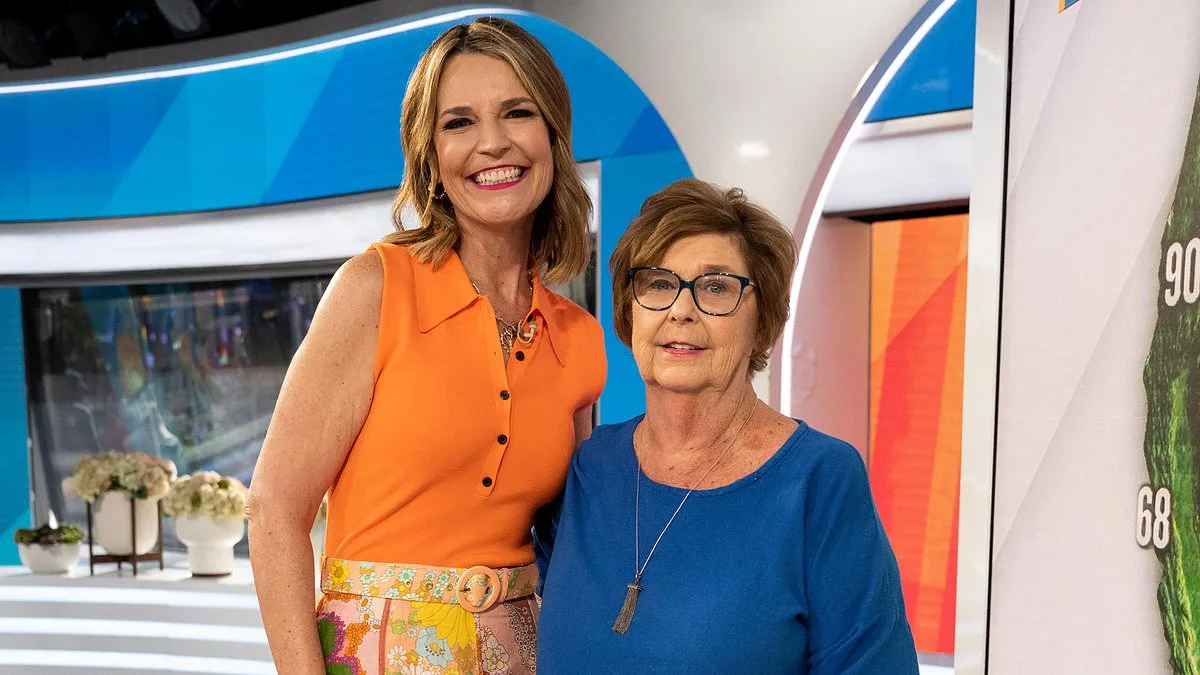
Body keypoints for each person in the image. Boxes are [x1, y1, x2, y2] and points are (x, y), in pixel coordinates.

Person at [248, 17, 605, 675]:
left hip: (526, 652)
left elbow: (573, 544)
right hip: (373, 653)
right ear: (430, 157)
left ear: (553, 135)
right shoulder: (374, 288)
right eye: (459, 122)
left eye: (518, 112)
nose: (492, 142)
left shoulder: (580, 339)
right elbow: (274, 510)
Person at [536, 178, 919, 673]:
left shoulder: (819, 480)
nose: (681, 311)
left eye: (716, 287)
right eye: (658, 284)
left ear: (762, 321)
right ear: (630, 312)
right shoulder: (589, 465)